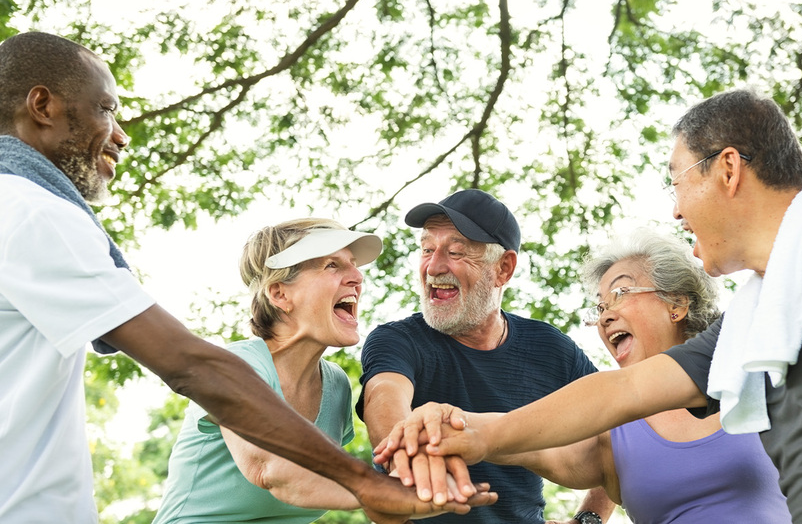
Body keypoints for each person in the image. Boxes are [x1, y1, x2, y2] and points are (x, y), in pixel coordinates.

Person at [377, 89, 802, 523]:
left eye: (678, 180)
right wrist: (476, 429)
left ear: (728, 169)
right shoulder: (756, 324)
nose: (676, 208)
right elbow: (622, 393)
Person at [0, 31, 493, 524]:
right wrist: (370, 486)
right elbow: (195, 370)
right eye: (106, 109)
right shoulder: (31, 211)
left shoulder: (337, 388)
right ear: (42, 106)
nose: (121, 135)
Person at [409, 228, 790, 523]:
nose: (606, 316)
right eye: (600, 306)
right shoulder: (612, 435)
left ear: (676, 304)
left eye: (621, 293)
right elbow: (524, 440)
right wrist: (448, 422)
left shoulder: (751, 371)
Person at [357, 189, 614, 524]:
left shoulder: (551, 348)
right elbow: (384, 396)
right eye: (427, 249)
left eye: (456, 252)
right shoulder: (397, 340)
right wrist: (405, 453)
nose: (433, 266)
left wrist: (589, 518)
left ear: (504, 269)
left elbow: (619, 428)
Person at [155, 218, 408, 522]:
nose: (357, 276)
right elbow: (272, 469)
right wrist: (392, 492)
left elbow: (330, 485)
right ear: (279, 295)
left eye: (353, 265)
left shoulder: (337, 385)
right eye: (332, 265)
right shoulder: (238, 366)